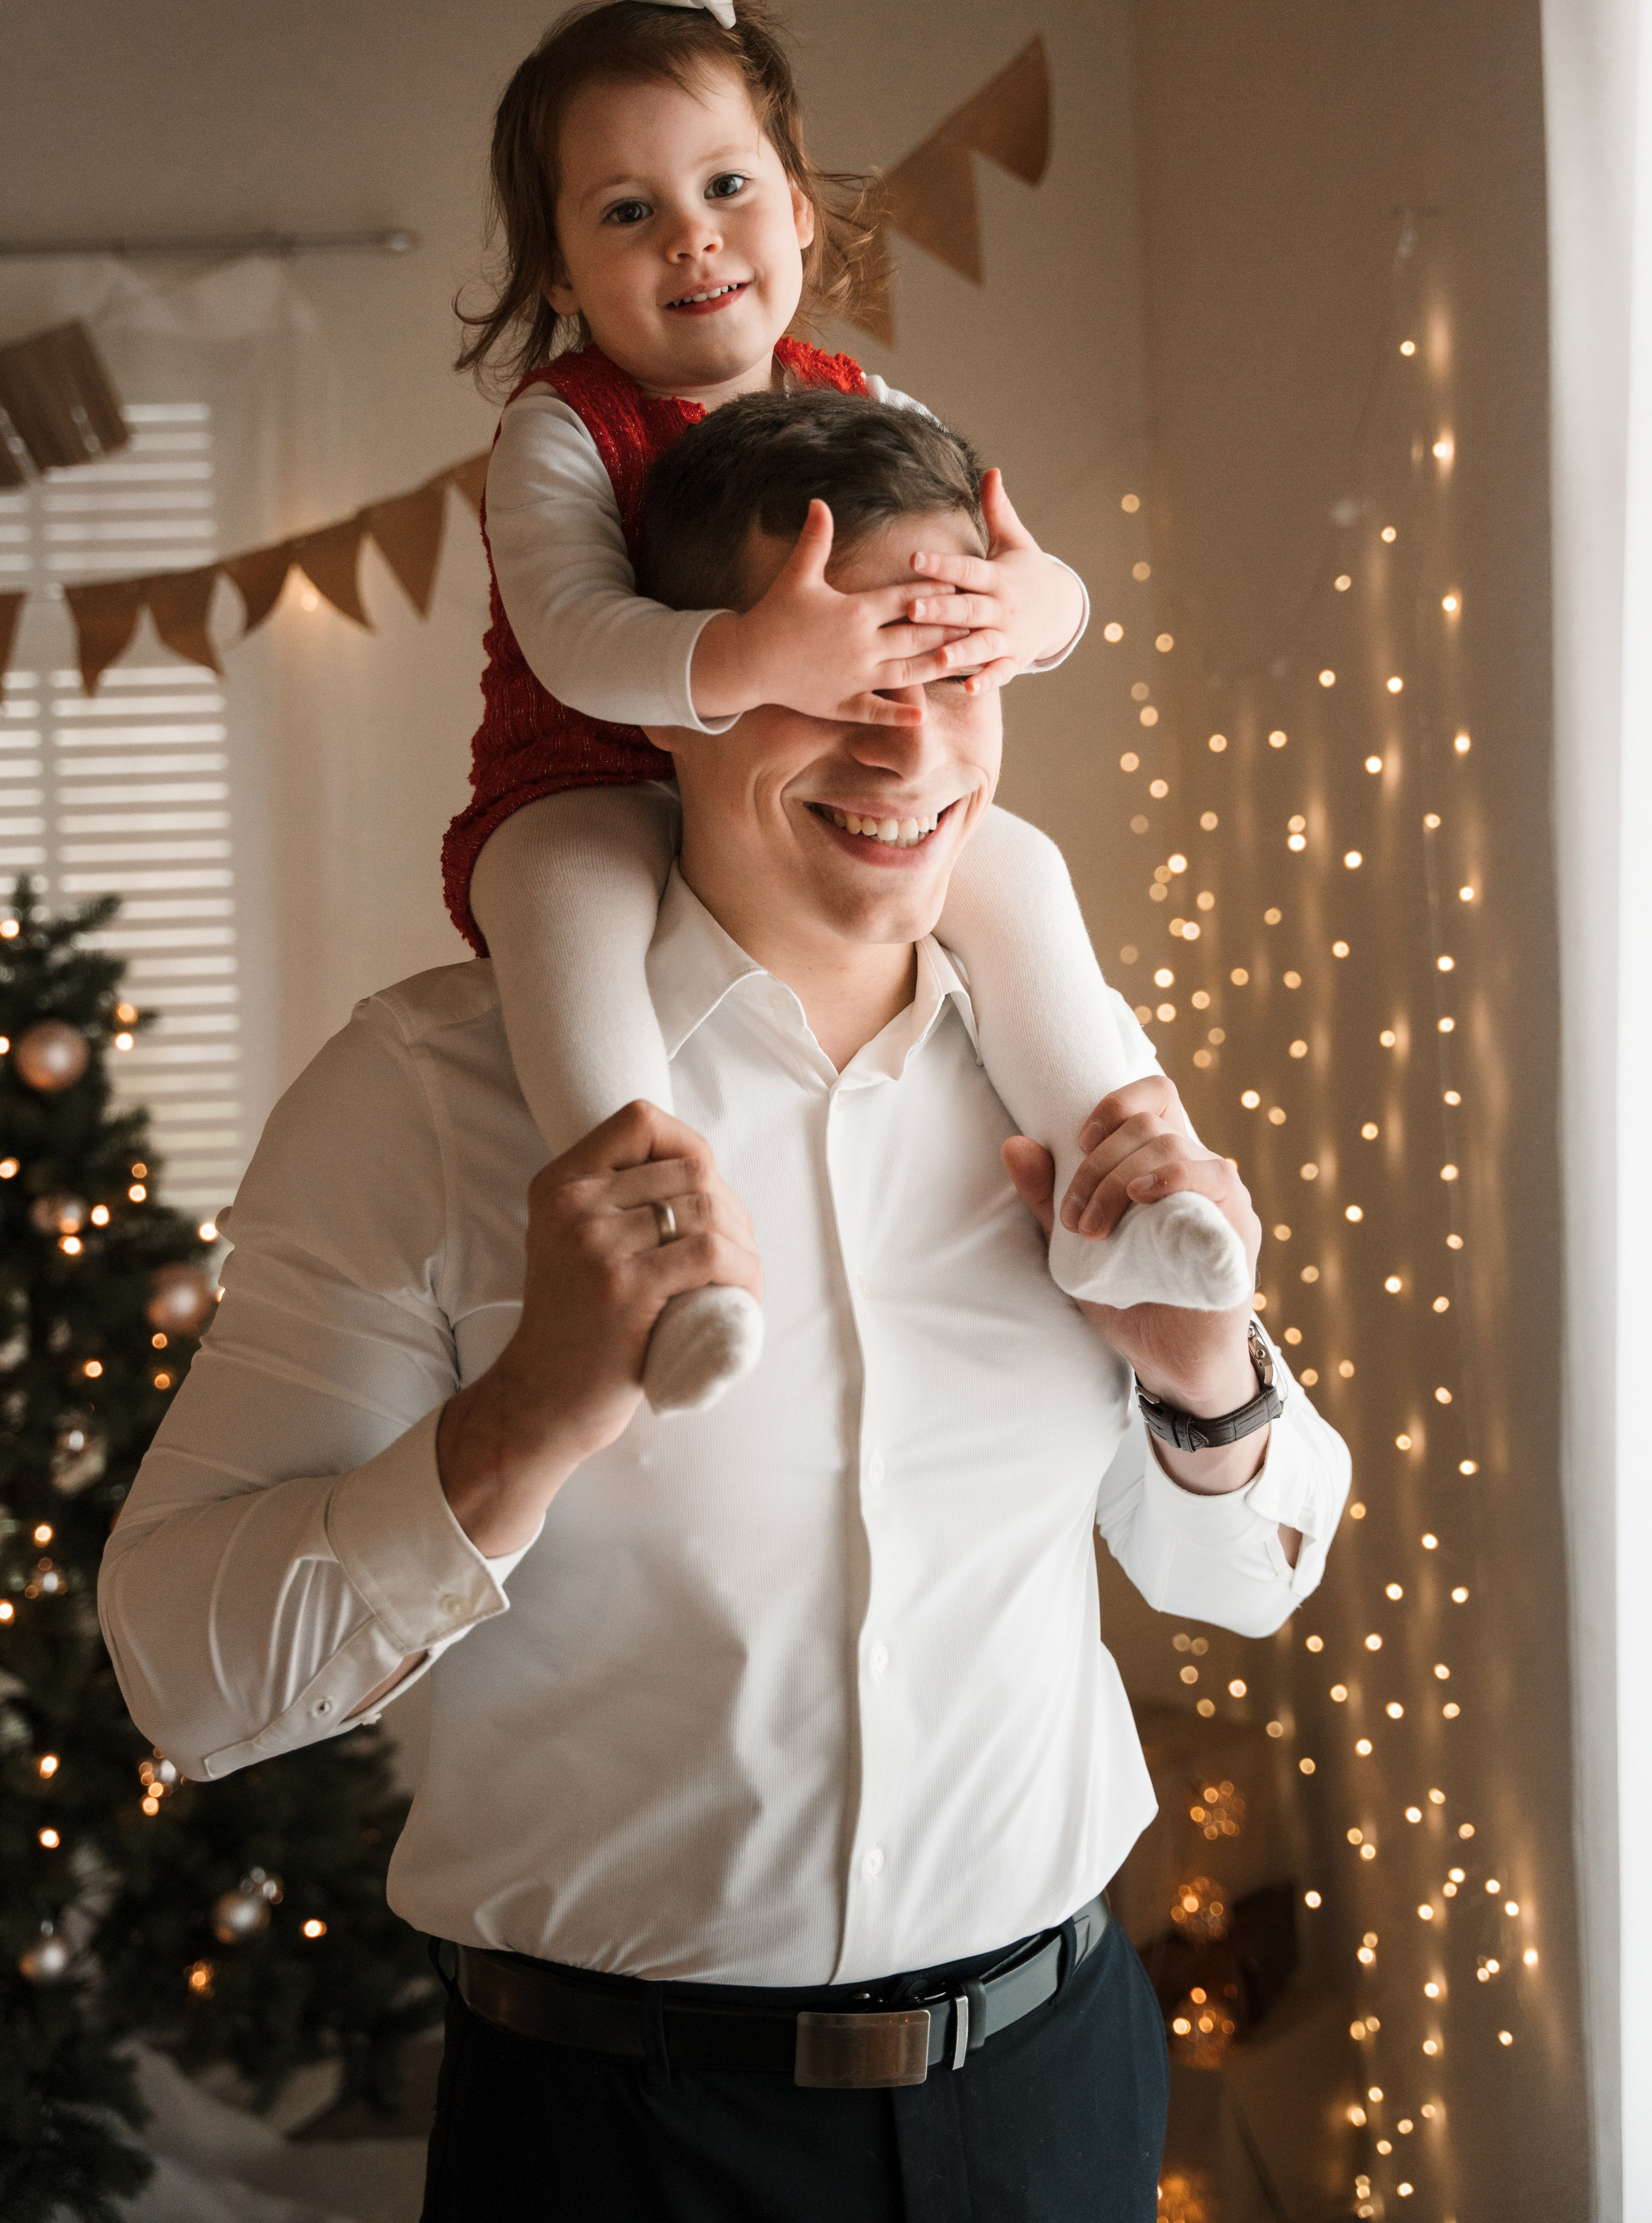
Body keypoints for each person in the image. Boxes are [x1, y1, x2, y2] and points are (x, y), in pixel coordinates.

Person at [99, 392, 1350, 2223]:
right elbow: (183, 1680)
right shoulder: (423, 1105)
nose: (905, 737)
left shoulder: (1072, 1083)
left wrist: (1206, 1388)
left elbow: (1249, 1575)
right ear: (669, 698)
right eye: (829, 672)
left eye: (945, 665)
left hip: (1056, 2100)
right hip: (619, 2146)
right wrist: (525, 1418)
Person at [441, 0, 1250, 1417]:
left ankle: (1125, 1192)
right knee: (560, 915)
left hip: (787, 793)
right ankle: (668, 1259)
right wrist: (752, 656)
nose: (691, 235)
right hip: (583, 774)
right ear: (561, 266)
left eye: (726, 187)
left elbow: (1018, 562)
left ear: (800, 216)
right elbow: (571, 634)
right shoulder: (560, 428)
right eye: (630, 210)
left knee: (1017, 872)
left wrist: (1032, 604)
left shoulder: (857, 398)